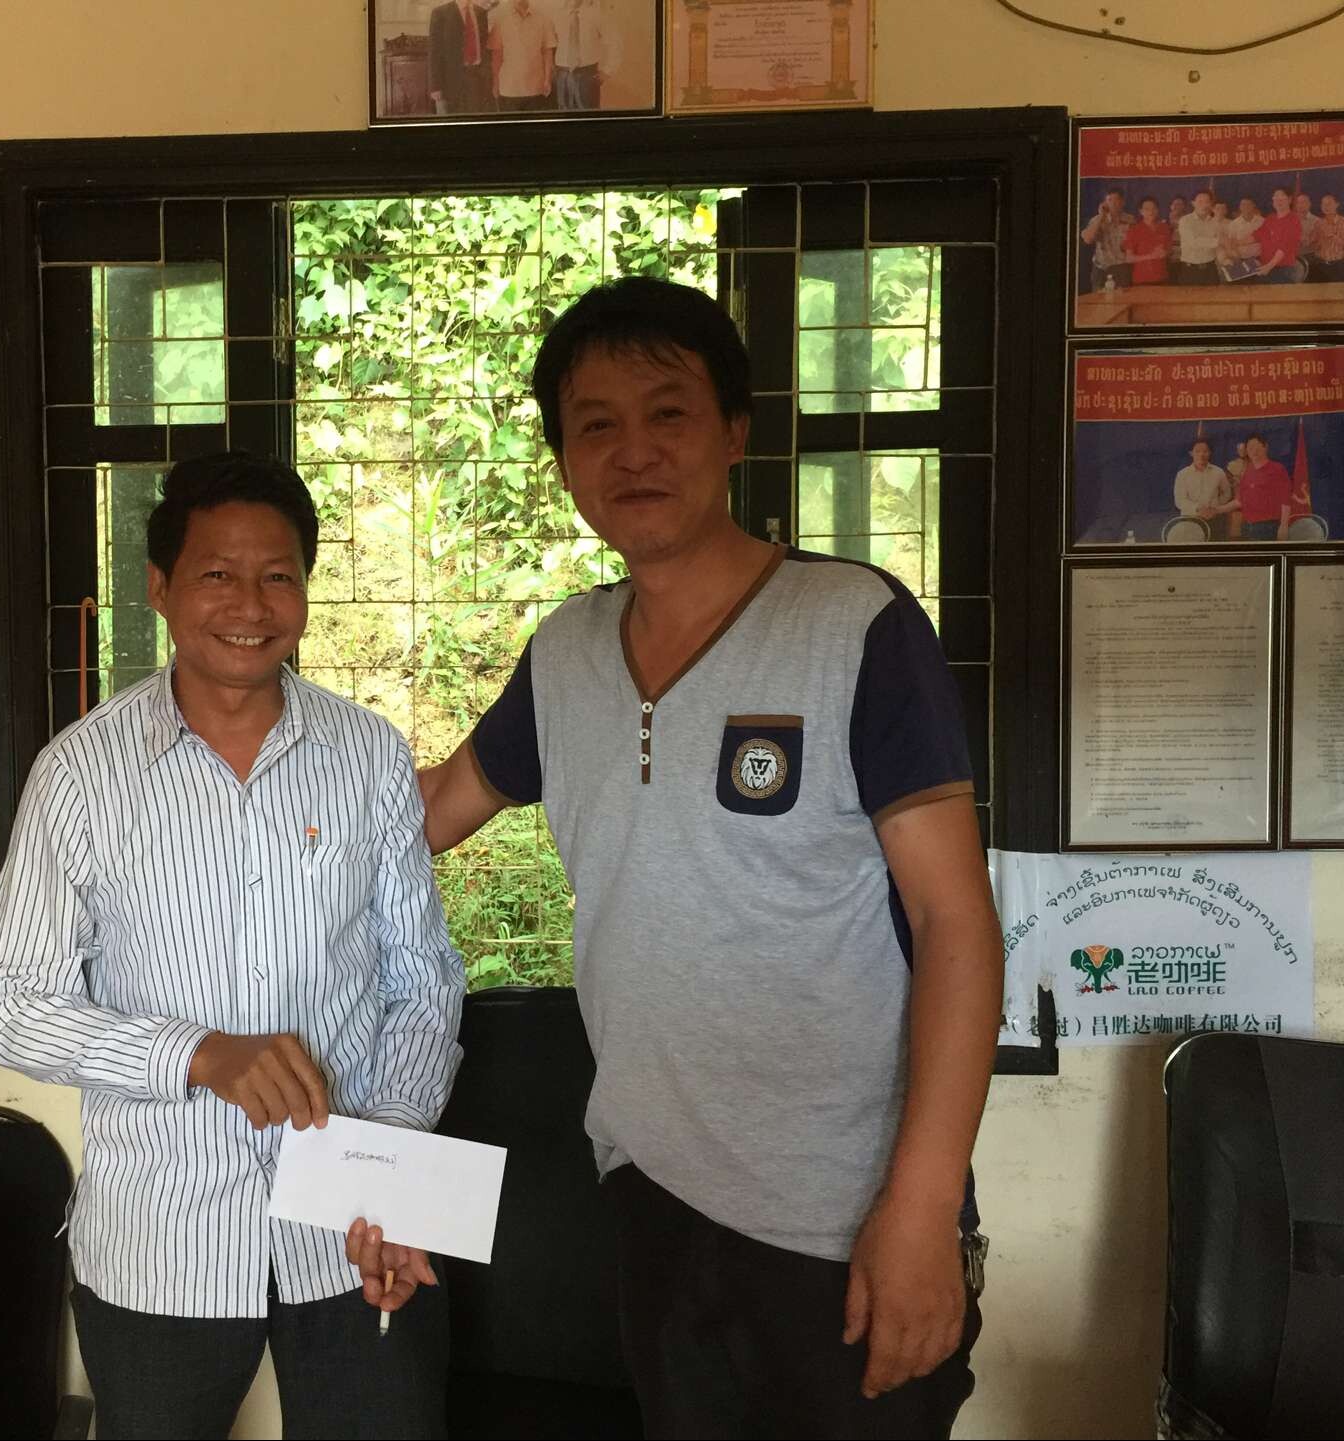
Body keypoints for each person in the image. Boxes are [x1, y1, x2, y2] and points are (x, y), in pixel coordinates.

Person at [420, 277, 1000, 1439]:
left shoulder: (855, 625)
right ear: (563, 461)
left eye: (668, 413)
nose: (632, 451)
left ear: (734, 431)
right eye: (595, 424)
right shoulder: (567, 651)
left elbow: (955, 922)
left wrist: (923, 1208)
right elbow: (431, 809)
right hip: (654, 1195)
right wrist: (237, 769)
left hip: (845, 1218)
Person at [0, 451, 464, 1440]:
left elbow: (422, 978)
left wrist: (388, 1157)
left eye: (278, 574)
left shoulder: (366, 754)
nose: (250, 603)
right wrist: (196, 1053)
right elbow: (10, 1006)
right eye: (217, 573)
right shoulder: (81, 774)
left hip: (350, 1230)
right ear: (160, 587)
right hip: (162, 1238)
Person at [486, 0, 558, 112]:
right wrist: (496, 83)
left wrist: (547, 80)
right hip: (508, 89)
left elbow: (547, 52)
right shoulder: (500, 19)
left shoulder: (543, 18)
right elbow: (496, 56)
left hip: (536, 88)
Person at [552, 0, 621, 111]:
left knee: (588, 114)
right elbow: (551, 44)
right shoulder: (557, 14)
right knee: (563, 115)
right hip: (562, 75)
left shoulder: (597, 13)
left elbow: (614, 42)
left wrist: (607, 71)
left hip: (587, 76)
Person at [427, 0, 491, 115]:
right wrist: (435, 86)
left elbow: (485, 47)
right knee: (450, 123)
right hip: (449, 82)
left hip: (476, 79)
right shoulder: (440, 13)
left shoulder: (481, 13)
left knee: (474, 121)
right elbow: (434, 51)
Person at [1237, 433, 1297, 540]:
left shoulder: (1277, 469)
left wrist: (1284, 526)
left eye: (1257, 447)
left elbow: (1286, 500)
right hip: (1247, 527)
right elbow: (1239, 501)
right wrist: (1217, 510)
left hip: (1268, 527)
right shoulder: (1247, 471)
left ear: (1265, 447)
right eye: (1250, 448)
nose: (1254, 451)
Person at [1173, 438, 1237, 532]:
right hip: (1190, 520)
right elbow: (1179, 500)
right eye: (1197, 451)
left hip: (1214, 520)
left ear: (1210, 453)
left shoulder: (1218, 472)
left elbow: (1227, 493)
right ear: (1191, 453)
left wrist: (1214, 507)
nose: (1201, 455)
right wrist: (1198, 508)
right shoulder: (1182, 474)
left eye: (1205, 451)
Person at [1080, 186, 1132, 291]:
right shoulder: (1097, 219)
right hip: (1101, 268)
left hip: (1121, 268)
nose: (1113, 203)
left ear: (1122, 202)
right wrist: (1101, 216)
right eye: (1109, 200)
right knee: (1099, 299)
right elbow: (1087, 239)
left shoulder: (1130, 219)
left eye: (1116, 200)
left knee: (1122, 298)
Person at [1255, 187, 1307, 283]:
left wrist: (1268, 266)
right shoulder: (1270, 218)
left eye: (1282, 198)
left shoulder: (1293, 220)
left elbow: (1284, 247)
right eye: (1276, 198)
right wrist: (1236, 242)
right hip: (1265, 267)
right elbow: (1256, 235)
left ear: (1289, 200)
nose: (1278, 201)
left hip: (1283, 270)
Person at [1175, 189, 1225, 284]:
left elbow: (1218, 248)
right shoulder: (1185, 221)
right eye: (1200, 201)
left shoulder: (1215, 222)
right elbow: (1193, 242)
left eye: (1207, 202)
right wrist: (1218, 241)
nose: (1204, 205)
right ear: (1193, 203)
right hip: (1190, 270)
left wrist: (1225, 259)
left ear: (1211, 204)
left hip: (1210, 269)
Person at [1123, 196, 1171, 285]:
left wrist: (1165, 253)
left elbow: (1169, 250)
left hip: (1163, 277)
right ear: (1141, 211)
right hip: (1142, 279)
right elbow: (1129, 258)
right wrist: (1150, 256)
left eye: (1154, 208)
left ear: (1158, 210)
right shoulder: (1134, 230)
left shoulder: (1164, 228)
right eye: (1147, 209)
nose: (1151, 212)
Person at [1313, 193, 1344, 282]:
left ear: (1337, 204)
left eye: (1329, 203)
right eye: (1323, 204)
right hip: (1320, 265)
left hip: (1339, 265)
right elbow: (1314, 246)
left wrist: (1332, 236)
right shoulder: (1318, 223)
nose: (1326, 207)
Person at [1223, 196, 1264, 270]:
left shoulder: (1262, 221)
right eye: (1243, 204)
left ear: (1253, 205)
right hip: (1242, 260)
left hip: (1260, 259)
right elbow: (1231, 244)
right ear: (1240, 207)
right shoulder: (1234, 224)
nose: (1246, 207)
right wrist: (1239, 261)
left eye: (1249, 204)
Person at [1166, 196, 1188, 281]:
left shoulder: (1189, 223)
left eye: (1179, 204)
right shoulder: (1164, 223)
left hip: (1185, 260)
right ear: (1170, 206)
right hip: (1169, 261)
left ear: (1184, 207)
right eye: (1174, 204)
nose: (1176, 206)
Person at [1297, 192, 1320, 264]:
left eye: (1303, 202)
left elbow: (1314, 242)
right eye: (1298, 202)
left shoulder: (1317, 221)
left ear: (1309, 204)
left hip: (1308, 257)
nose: (1300, 205)